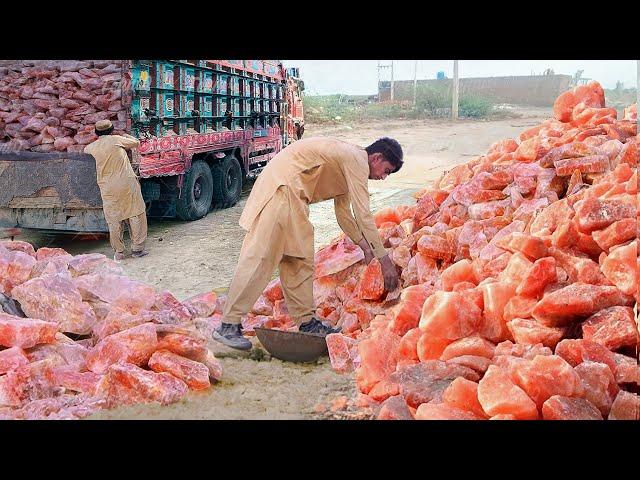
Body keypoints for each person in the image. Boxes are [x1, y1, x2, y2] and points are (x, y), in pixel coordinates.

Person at [213, 136, 403, 350]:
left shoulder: (351, 162)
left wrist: (366, 246)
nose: (383, 177)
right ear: (376, 158)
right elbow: (363, 213)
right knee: (260, 258)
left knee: (300, 260)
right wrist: (383, 258)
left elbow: (344, 214)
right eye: (386, 170)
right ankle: (228, 325)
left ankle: (307, 323)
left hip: (294, 198)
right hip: (281, 190)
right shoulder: (356, 159)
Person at [84, 120, 149, 261]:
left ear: (96, 133)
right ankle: (137, 249)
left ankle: (118, 252)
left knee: (113, 218)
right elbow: (136, 143)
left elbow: (84, 151)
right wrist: (126, 134)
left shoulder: (91, 147)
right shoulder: (116, 140)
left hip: (107, 187)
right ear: (112, 130)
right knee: (135, 213)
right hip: (126, 183)